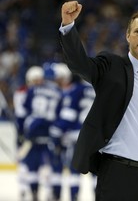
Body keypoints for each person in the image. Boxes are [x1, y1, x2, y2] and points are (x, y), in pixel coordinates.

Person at [59, 1, 138, 201]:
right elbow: (79, 64)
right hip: (118, 176)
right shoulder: (111, 66)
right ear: (128, 36)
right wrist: (68, 26)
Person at [49, 64, 96, 201]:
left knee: (74, 171)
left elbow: (68, 116)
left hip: (77, 136)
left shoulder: (75, 91)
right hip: (96, 138)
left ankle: (74, 197)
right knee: (96, 173)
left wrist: (56, 132)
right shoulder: (95, 89)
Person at [22, 62, 63, 201]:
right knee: (53, 166)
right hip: (50, 133)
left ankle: (33, 193)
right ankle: (54, 194)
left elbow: (25, 110)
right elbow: (60, 113)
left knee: (32, 166)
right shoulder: (59, 92)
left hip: (34, 132)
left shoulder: (33, 90)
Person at [13, 66, 44, 201]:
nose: (39, 82)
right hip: (26, 131)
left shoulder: (37, 92)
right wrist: (21, 131)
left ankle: (30, 189)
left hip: (35, 131)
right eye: (36, 80)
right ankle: (23, 189)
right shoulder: (22, 92)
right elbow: (21, 113)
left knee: (35, 163)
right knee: (23, 161)